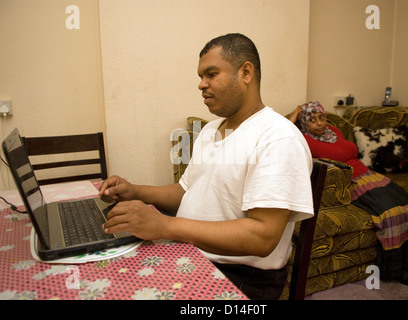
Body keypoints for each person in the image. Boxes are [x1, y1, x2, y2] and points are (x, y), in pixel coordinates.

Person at [99, 33, 314, 300]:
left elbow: (263, 237)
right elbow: (185, 190)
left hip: (239, 277)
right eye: (201, 76)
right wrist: (135, 191)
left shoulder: (276, 137)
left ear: (246, 72)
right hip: (190, 253)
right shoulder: (212, 129)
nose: (201, 84)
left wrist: (165, 226)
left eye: (211, 74)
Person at [288, 101, 408, 287]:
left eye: (322, 117)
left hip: (371, 175)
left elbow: (348, 151)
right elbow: (283, 134)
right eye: (311, 120)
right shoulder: (303, 139)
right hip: (353, 181)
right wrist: (294, 115)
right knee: (392, 214)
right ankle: (399, 270)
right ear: (303, 124)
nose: (319, 123)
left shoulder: (334, 132)